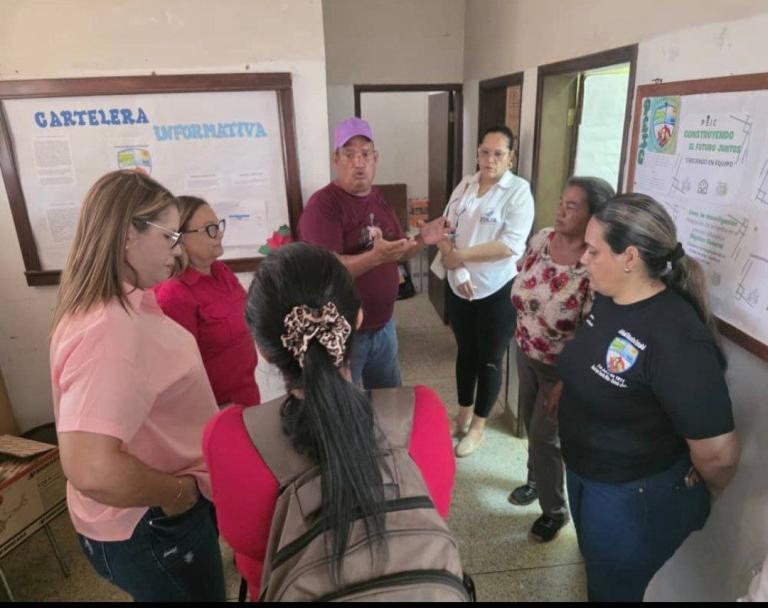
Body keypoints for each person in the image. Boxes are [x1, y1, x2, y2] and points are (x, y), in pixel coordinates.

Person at [203, 242, 456, 596]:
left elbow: (245, 546)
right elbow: (435, 510)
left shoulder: (229, 438)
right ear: (358, 320)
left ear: (263, 350)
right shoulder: (423, 413)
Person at [555, 193, 740, 602]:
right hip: (586, 473)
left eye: (593, 250)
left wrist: (699, 495)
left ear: (630, 257)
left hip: (629, 495)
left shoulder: (677, 337)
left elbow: (720, 456)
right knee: (598, 576)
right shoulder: (610, 299)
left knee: (612, 591)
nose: (583, 259)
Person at [50, 171, 225, 601]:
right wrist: (178, 494)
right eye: (169, 237)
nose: (177, 250)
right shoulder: (110, 331)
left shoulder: (126, 301)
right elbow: (90, 467)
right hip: (155, 517)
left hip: (160, 507)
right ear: (130, 232)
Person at [298, 116, 450, 389]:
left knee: (390, 399)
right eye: (349, 154)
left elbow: (398, 252)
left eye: (365, 154)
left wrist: (421, 240)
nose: (359, 162)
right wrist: (374, 257)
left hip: (384, 325)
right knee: (347, 405)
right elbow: (325, 270)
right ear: (336, 159)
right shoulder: (322, 205)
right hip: (345, 332)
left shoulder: (378, 197)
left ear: (375, 158)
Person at [507, 177, 615, 543]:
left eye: (572, 206)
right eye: (561, 202)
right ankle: (535, 480)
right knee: (530, 425)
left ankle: (555, 511)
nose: (561, 211)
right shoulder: (542, 239)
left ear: (593, 216)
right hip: (526, 351)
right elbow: (522, 280)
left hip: (561, 369)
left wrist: (568, 381)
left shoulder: (592, 264)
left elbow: (593, 332)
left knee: (544, 437)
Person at [436, 125, 535, 457]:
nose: (490, 160)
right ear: (477, 152)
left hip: (496, 288)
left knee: (489, 358)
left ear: (510, 157)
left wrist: (459, 256)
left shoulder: (518, 191)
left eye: (498, 154)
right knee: (465, 352)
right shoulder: (465, 185)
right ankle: (462, 415)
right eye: (484, 152)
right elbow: (443, 228)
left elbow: (510, 246)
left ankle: (478, 426)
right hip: (459, 284)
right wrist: (458, 267)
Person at [155, 195, 260, 407]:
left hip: (246, 396)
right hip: (213, 408)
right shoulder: (174, 293)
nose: (219, 234)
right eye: (209, 229)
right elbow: (180, 373)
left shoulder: (220, 271)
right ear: (180, 238)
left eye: (218, 226)